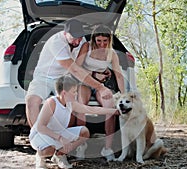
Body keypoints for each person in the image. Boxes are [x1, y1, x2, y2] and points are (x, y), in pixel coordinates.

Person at [25, 19, 113, 128]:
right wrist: (101, 87)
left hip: (65, 79)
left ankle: (66, 138)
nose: (77, 41)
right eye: (74, 37)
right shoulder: (56, 42)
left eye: (80, 37)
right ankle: (39, 138)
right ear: (65, 34)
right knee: (32, 101)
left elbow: (83, 64)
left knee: (70, 106)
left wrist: (103, 70)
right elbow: (75, 69)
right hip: (44, 78)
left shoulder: (82, 42)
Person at [29, 75, 119, 169]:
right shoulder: (51, 103)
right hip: (41, 134)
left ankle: (59, 155)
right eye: (74, 91)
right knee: (50, 150)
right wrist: (60, 138)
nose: (76, 94)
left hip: (58, 133)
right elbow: (40, 127)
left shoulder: (71, 104)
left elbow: (91, 110)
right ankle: (40, 155)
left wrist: (113, 111)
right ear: (64, 93)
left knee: (84, 132)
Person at [75, 24, 125, 161]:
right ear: (94, 40)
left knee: (110, 107)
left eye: (105, 41)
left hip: (100, 86)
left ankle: (107, 149)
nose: (102, 44)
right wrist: (94, 74)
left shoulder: (112, 53)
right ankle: (81, 145)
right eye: (99, 41)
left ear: (109, 40)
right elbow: (76, 68)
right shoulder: (87, 47)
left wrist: (123, 93)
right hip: (84, 82)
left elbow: (119, 75)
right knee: (81, 106)